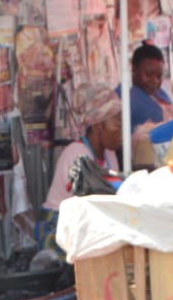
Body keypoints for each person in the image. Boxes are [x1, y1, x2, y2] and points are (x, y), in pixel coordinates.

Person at [42, 83, 123, 211]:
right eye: (118, 125)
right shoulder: (76, 154)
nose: (122, 132)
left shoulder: (110, 155)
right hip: (59, 225)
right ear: (97, 125)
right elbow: (91, 206)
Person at [119, 42, 173, 134]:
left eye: (159, 76)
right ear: (134, 70)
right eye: (149, 75)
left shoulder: (159, 93)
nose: (155, 81)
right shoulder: (128, 100)